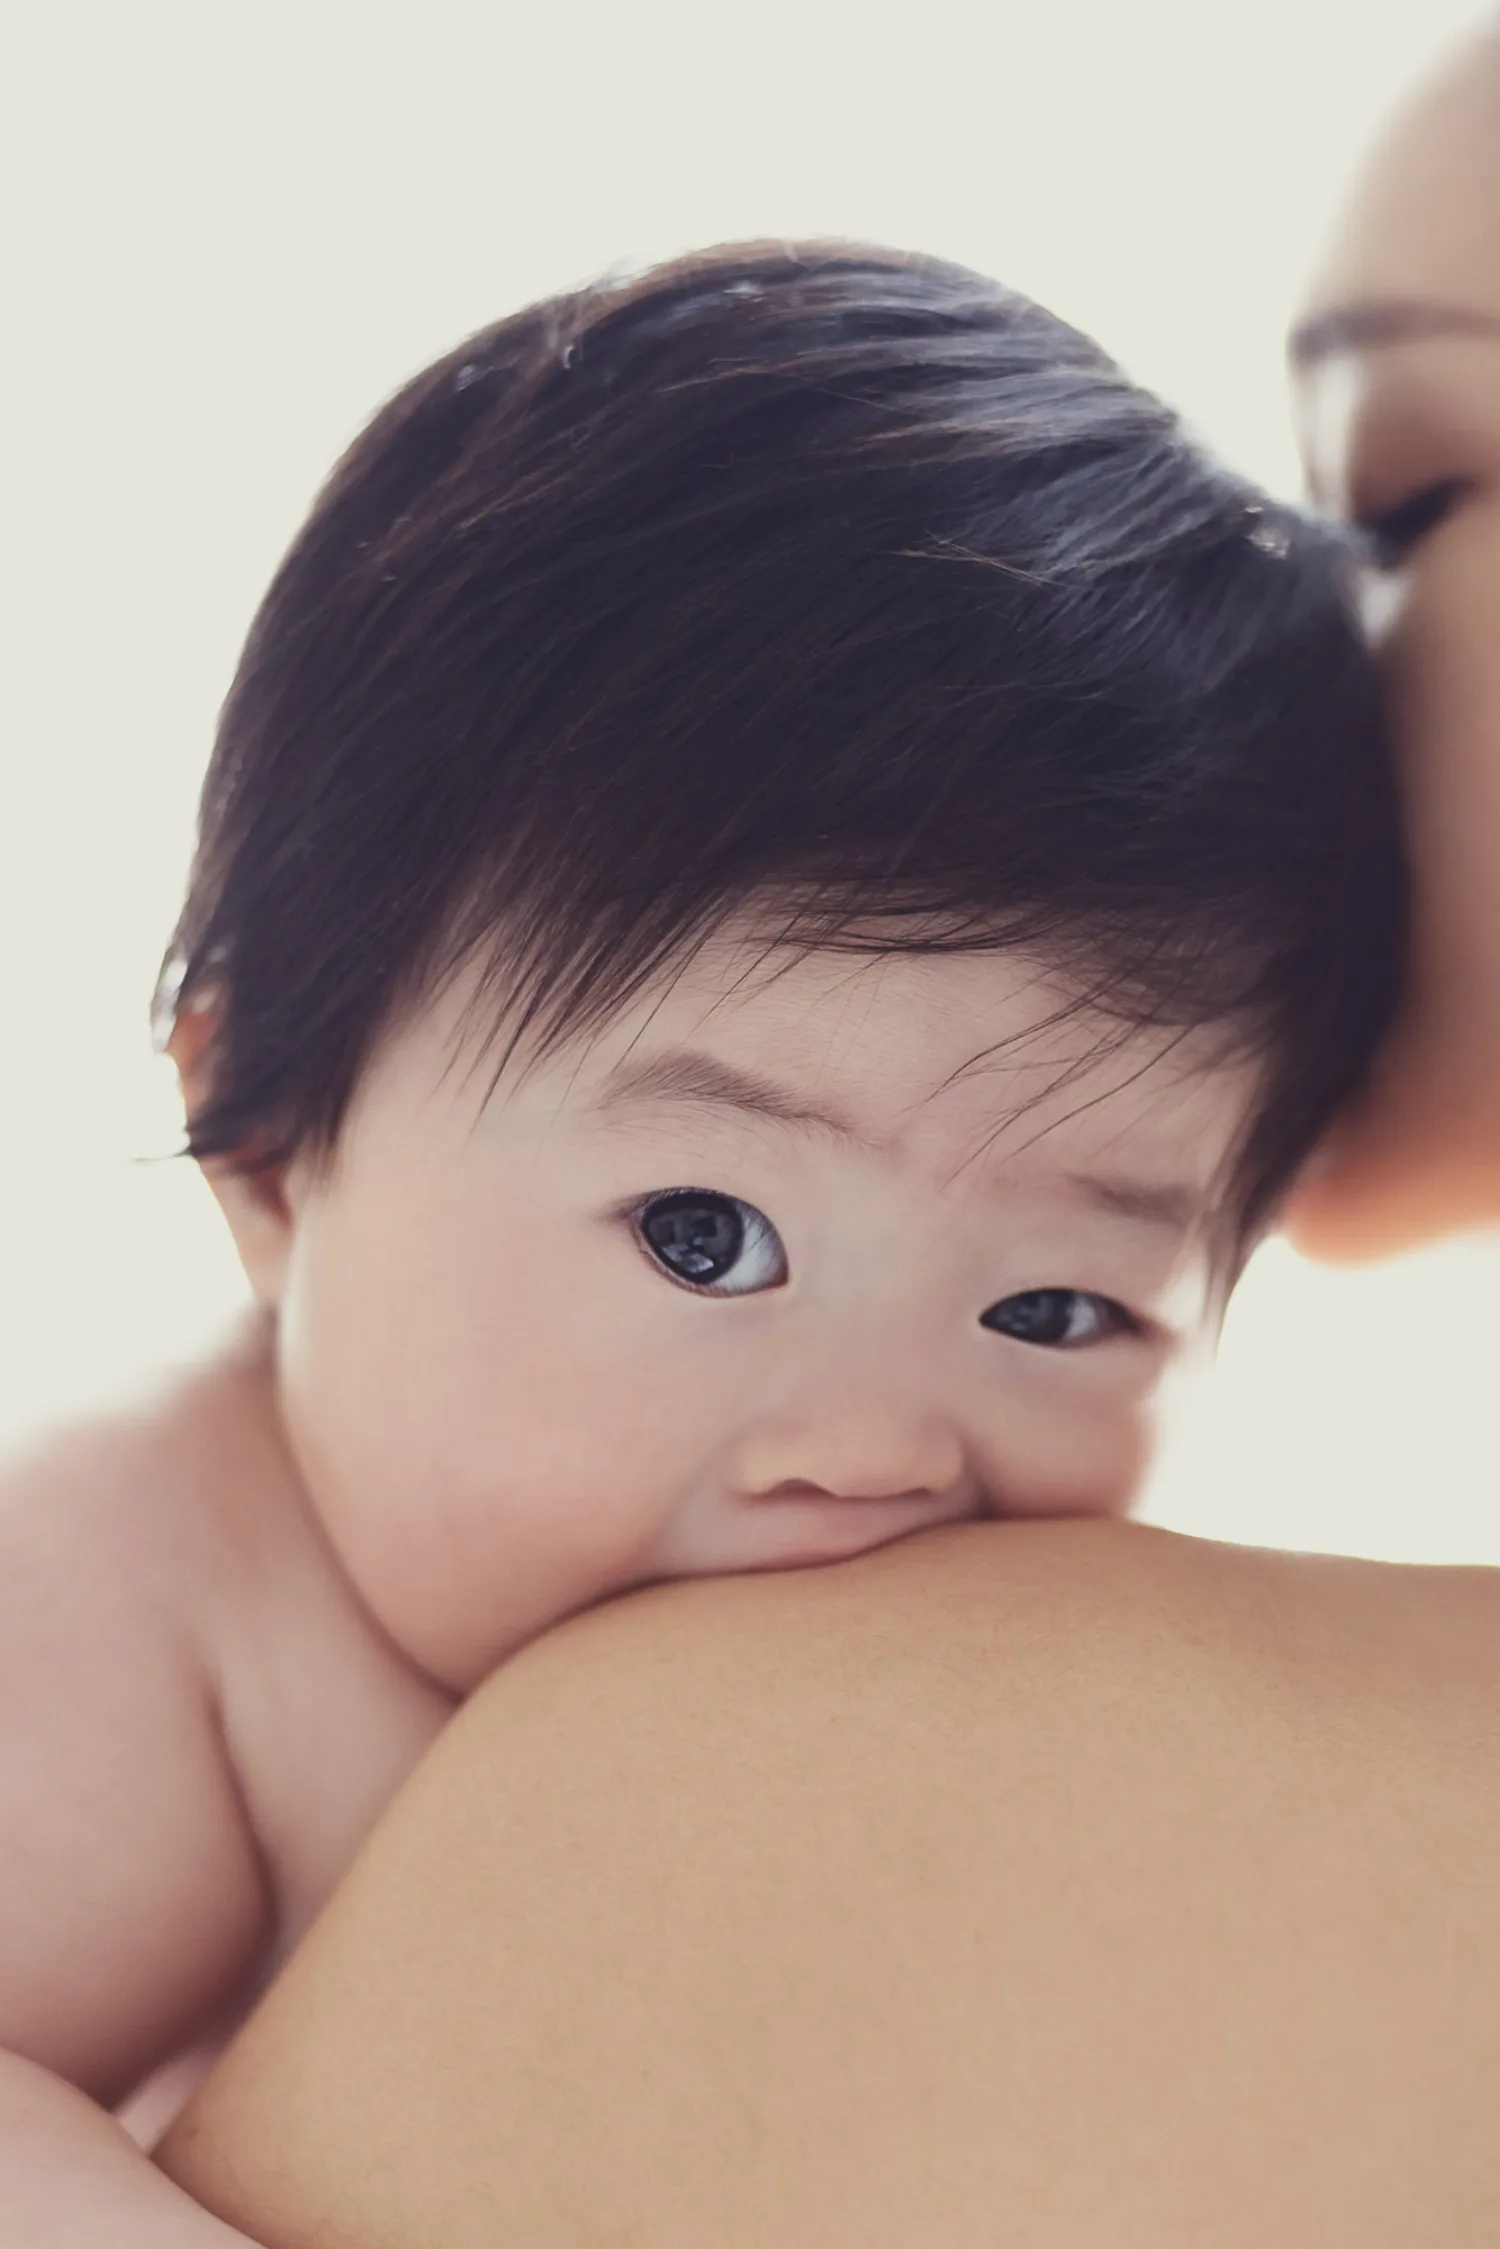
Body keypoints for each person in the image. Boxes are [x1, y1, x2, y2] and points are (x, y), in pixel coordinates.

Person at [150, 26, 1500, 2249]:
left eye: (1057, 1306)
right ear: (262, 1135)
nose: (876, 1446)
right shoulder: (138, 1594)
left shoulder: (880, 1781)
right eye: (702, 1230)